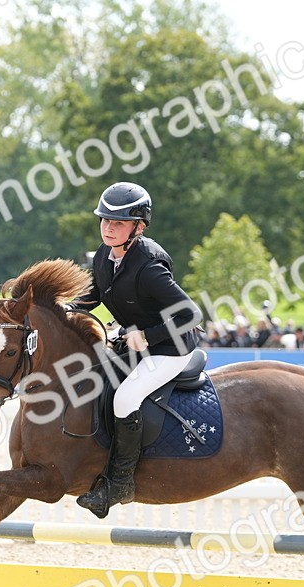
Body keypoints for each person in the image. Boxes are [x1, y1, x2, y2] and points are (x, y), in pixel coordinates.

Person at [67, 181, 203, 518]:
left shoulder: (150, 267)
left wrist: (147, 334)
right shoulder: (103, 255)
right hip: (135, 344)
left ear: (138, 227)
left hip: (169, 348)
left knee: (125, 398)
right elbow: (93, 295)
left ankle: (120, 483)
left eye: (118, 223)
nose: (109, 228)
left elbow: (191, 315)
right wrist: (66, 309)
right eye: (105, 221)